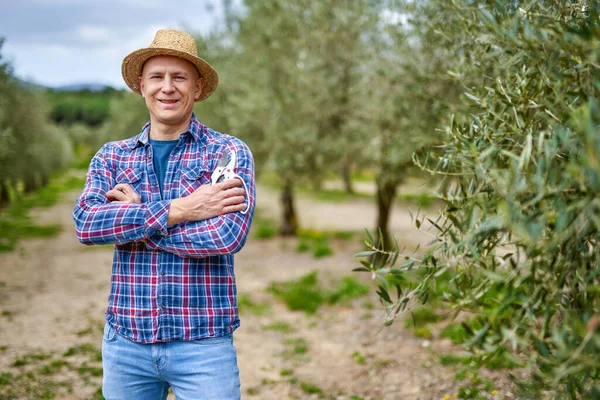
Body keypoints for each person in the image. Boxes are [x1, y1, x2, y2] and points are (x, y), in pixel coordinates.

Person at [73, 29, 255, 400]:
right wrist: (182, 209)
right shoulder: (113, 157)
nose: (167, 88)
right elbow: (87, 224)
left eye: (179, 77)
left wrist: (134, 221)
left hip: (203, 345)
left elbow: (225, 236)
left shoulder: (227, 153)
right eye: (157, 77)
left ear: (198, 87)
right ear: (141, 85)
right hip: (126, 343)